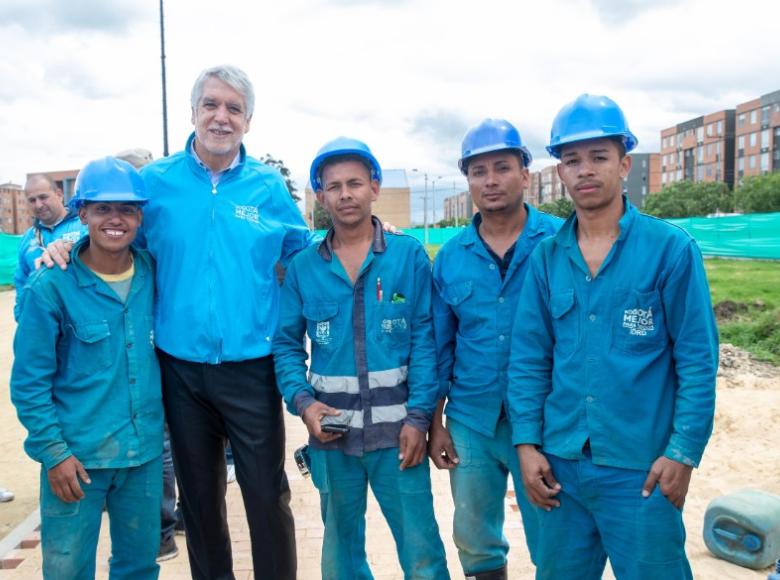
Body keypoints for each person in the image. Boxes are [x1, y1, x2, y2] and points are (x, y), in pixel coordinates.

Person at [43, 65, 310, 579]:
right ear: (193, 112)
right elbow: (115, 236)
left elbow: (303, 248)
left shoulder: (267, 187)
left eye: (233, 108)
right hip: (179, 370)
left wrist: (362, 233)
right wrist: (67, 242)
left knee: (265, 494)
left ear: (248, 121)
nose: (221, 116)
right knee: (200, 500)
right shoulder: (156, 182)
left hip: (252, 369)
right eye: (211, 104)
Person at [508, 94, 719, 579]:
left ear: (624, 164)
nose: (585, 170)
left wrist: (682, 453)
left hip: (642, 470)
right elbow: (529, 359)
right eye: (571, 160)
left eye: (598, 157)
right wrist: (526, 443)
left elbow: (697, 361)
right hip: (562, 467)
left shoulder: (670, 250)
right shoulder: (545, 259)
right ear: (559, 172)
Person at [274, 137, 450, 579]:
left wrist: (419, 418)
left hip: (399, 436)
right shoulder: (303, 268)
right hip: (333, 437)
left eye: (355, 183)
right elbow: (286, 345)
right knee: (340, 555)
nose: (345, 194)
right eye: (333, 186)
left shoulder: (407, 255)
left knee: (422, 551)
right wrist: (304, 403)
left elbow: (426, 342)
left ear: (374, 187)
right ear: (321, 196)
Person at [11, 157, 163, 580]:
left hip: (143, 454)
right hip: (76, 461)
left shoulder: (153, 273)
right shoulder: (51, 287)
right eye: (102, 209)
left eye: (127, 209)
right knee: (67, 570)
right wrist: (54, 454)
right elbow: (28, 384)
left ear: (139, 217)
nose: (116, 219)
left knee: (138, 567)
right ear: (82, 214)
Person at [429, 119, 562, 579]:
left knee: (555, 530)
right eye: (478, 171)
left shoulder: (560, 244)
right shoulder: (451, 256)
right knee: (475, 535)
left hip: (547, 419)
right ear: (467, 181)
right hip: (471, 419)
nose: (490, 180)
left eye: (502, 167)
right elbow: (438, 348)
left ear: (525, 174)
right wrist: (434, 421)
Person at [115, 148, 179, 564]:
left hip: (172, 365)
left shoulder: (158, 255)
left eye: (131, 205)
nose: (121, 215)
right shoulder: (74, 267)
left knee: (167, 447)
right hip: (125, 380)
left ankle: (164, 529)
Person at [13, 174, 85, 320]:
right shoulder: (27, 239)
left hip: (83, 319)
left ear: (59, 195)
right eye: (32, 200)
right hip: (45, 324)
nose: (38, 205)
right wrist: (22, 316)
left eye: (43, 197)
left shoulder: (85, 226)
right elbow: (21, 282)